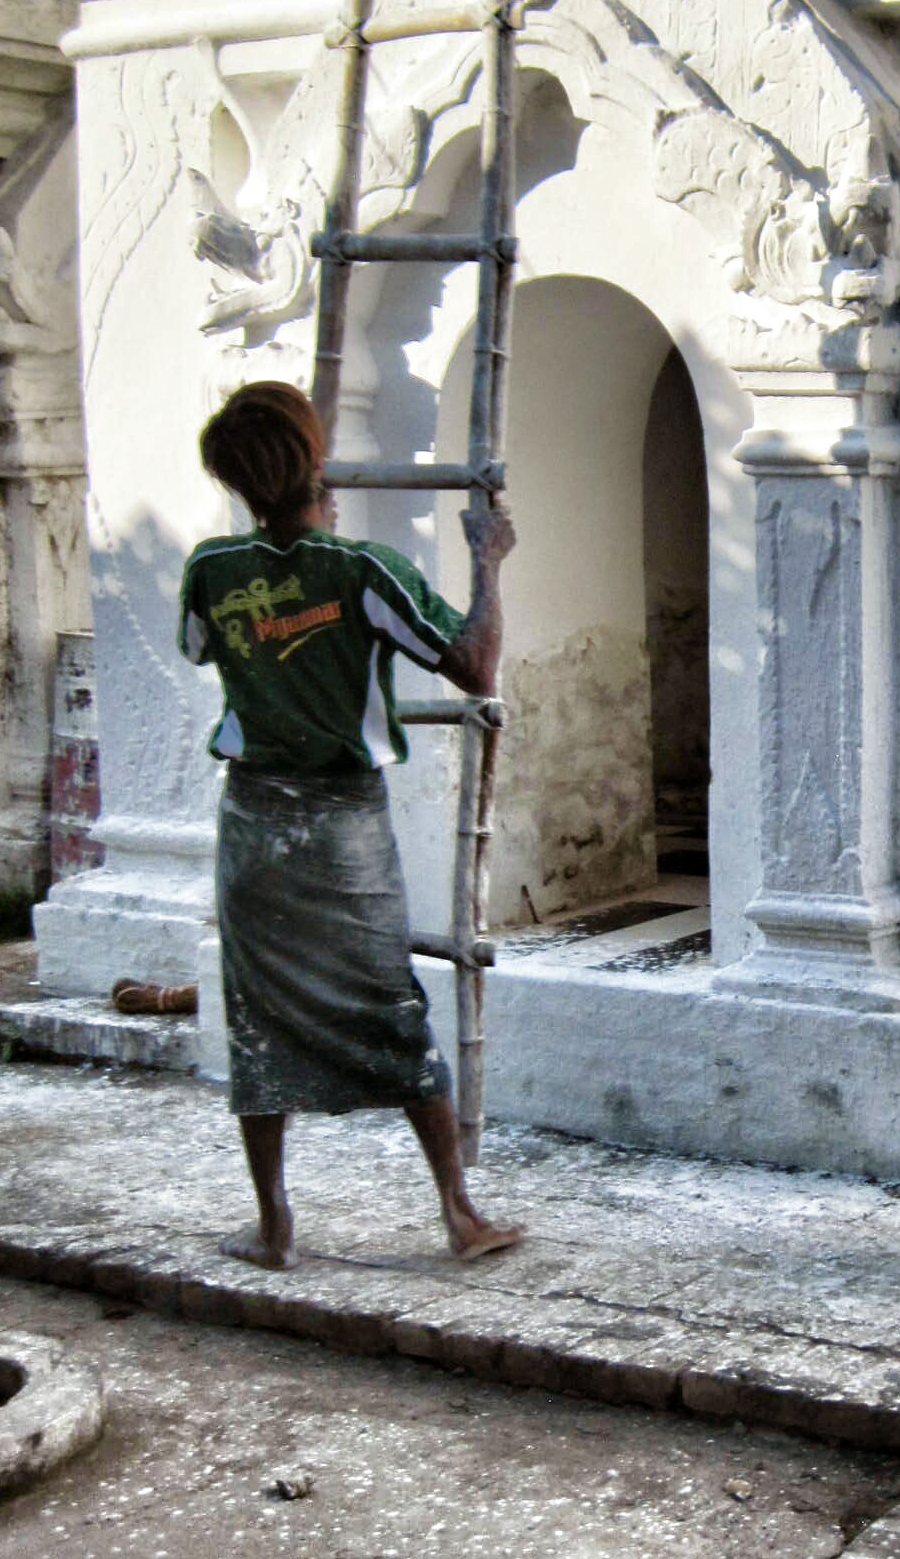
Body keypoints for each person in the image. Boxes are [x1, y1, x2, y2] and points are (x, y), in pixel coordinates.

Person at [178, 379, 522, 1269]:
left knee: (258, 1017)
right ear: (316, 465)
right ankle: (459, 1214)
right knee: (387, 1008)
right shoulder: (363, 571)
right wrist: (488, 560)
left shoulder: (212, 570)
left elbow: (200, 646)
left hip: (252, 825)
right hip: (342, 831)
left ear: (239, 480)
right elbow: (475, 667)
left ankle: (273, 1224)